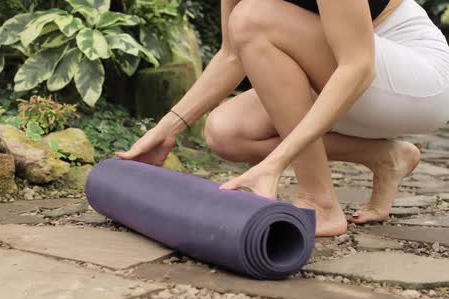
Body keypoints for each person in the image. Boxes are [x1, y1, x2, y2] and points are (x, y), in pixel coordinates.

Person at [116, 0, 449, 237]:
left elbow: (357, 67)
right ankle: (386, 157)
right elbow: (232, 53)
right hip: (342, 68)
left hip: (415, 79)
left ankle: (317, 200)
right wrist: (167, 127)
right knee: (227, 132)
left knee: (254, 16)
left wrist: (278, 161)